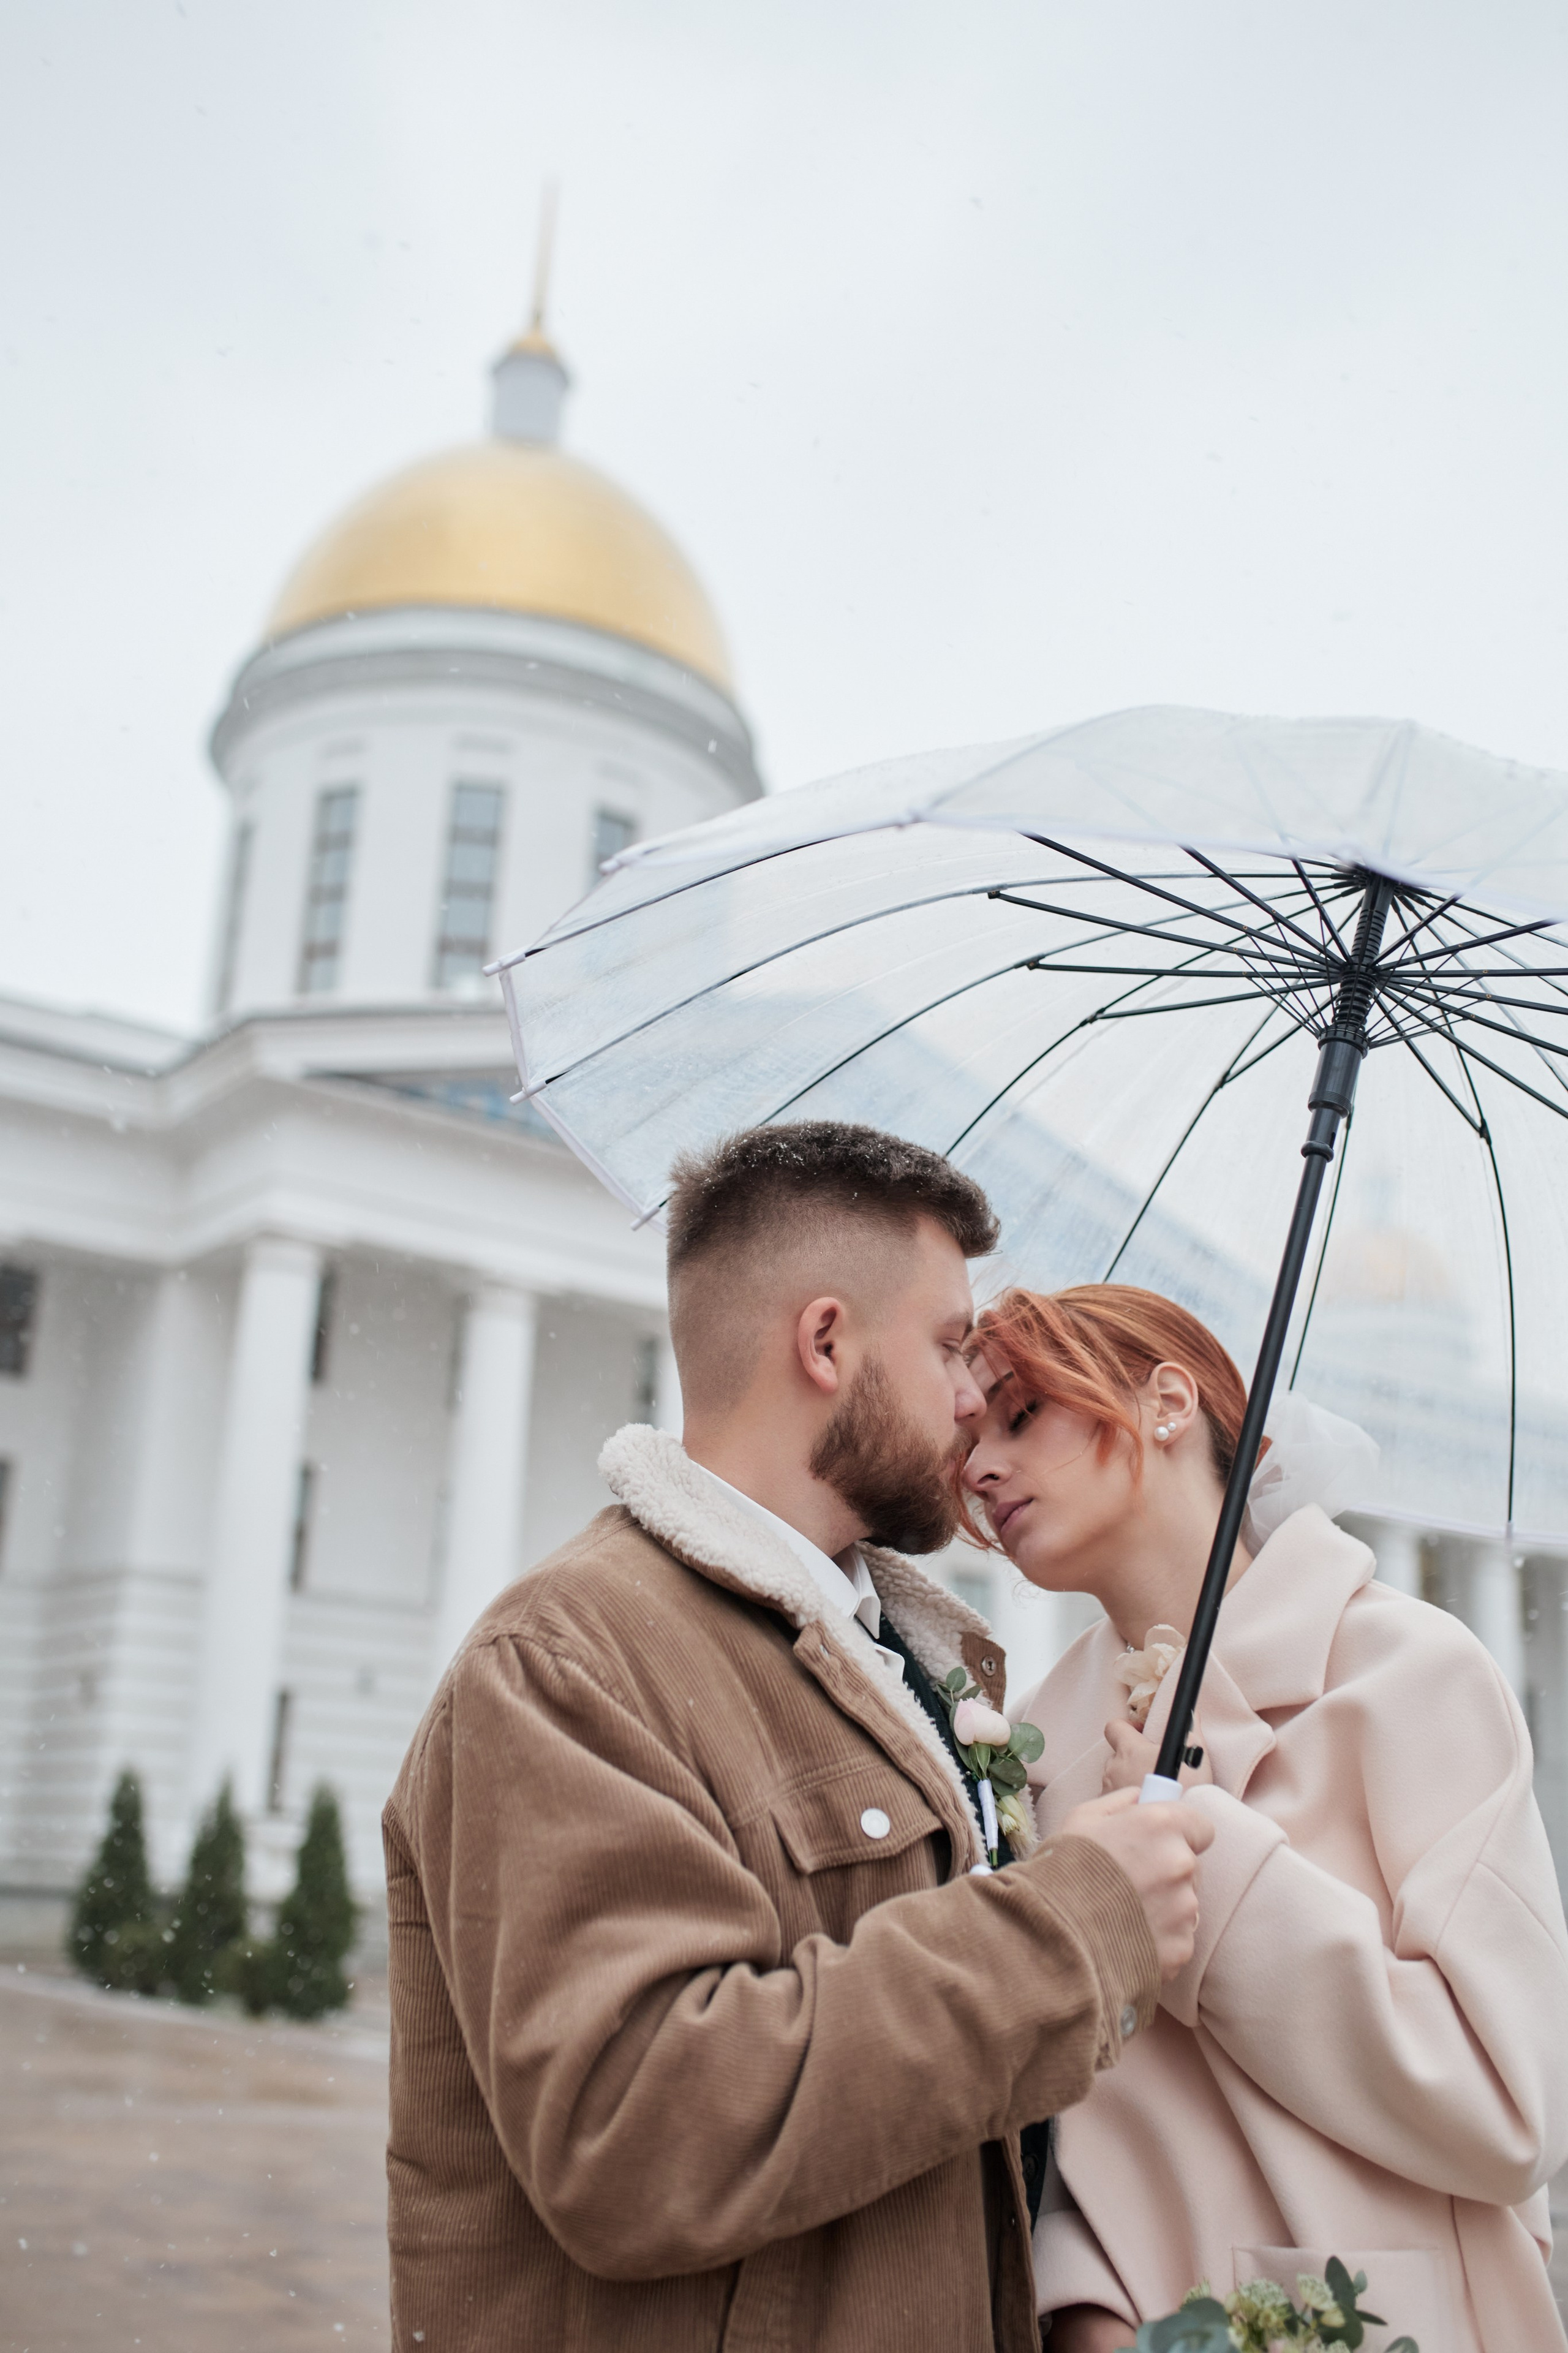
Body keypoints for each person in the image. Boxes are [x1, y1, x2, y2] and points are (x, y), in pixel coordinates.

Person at [382, 1125, 1212, 2352]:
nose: (976, 1399)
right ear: (825, 1342)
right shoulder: (566, 1662)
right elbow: (637, 2131)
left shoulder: (908, 1663)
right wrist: (1075, 1924)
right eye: (946, 1346)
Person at [960, 1280, 1568, 2353]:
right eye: (969, 1437)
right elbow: (1066, 2127)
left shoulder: (1409, 1675)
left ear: (1167, 1400)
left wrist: (1213, 1857)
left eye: (1020, 1415)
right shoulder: (1039, 1756)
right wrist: (1087, 2311)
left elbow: (1510, 2109)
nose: (979, 1468)